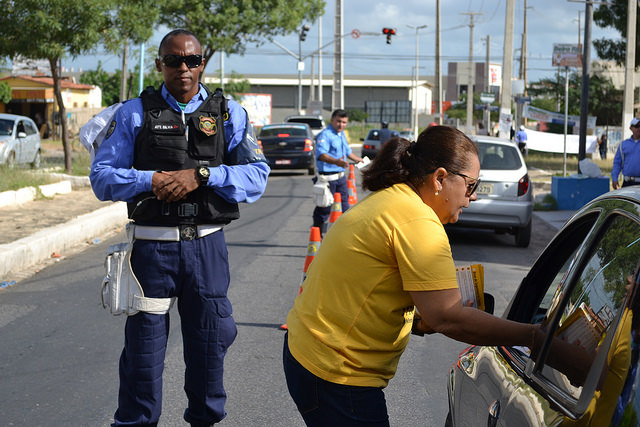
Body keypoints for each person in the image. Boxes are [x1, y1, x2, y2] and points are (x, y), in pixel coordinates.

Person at [283, 126, 553, 426]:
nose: (471, 198)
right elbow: (448, 317)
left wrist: (422, 319)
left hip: (311, 355)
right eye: (471, 186)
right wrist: (534, 337)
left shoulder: (396, 199)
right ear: (439, 179)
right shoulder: (417, 222)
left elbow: (382, 291)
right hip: (336, 373)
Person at [90, 29, 270, 426]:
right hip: (151, 253)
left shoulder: (230, 114)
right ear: (160, 65)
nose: (184, 68)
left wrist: (202, 174)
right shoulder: (134, 112)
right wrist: (151, 180)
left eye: (192, 60)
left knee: (210, 348)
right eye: (174, 60)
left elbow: (257, 176)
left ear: (203, 62)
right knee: (143, 357)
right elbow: (102, 177)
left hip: (206, 250)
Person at [312, 109, 363, 234]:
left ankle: (344, 237)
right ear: (332, 120)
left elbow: (347, 151)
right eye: (339, 121)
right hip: (328, 179)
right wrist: (336, 162)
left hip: (340, 178)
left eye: (344, 122)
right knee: (324, 208)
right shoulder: (325, 135)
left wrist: (358, 160)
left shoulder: (341, 134)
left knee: (345, 208)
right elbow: (321, 155)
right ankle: (318, 236)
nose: (341, 125)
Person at [612, 117, 640, 189]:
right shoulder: (624, 145)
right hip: (628, 183)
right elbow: (617, 163)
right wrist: (615, 178)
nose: (639, 128)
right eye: (637, 126)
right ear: (631, 128)